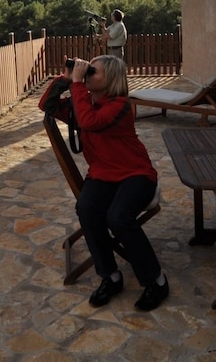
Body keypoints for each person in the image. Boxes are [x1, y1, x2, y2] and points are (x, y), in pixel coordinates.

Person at [39, 54, 169, 311]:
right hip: (102, 175)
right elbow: (47, 105)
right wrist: (66, 80)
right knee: (86, 208)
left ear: (109, 79)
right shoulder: (84, 102)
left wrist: (77, 85)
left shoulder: (120, 105)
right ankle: (110, 276)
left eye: (92, 71)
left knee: (118, 217)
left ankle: (156, 280)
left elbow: (89, 122)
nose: (86, 73)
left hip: (136, 174)